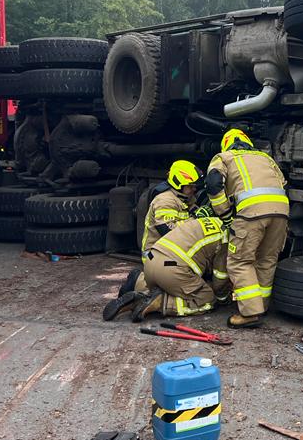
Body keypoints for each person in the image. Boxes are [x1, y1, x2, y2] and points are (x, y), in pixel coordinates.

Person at [103, 159, 210, 320]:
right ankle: (142, 286)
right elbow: (168, 231)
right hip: (157, 255)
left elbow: (194, 213)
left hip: (172, 252)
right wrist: (195, 220)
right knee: (190, 289)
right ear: (178, 183)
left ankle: (140, 284)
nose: (194, 189)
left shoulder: (185, 198)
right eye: (190, 186)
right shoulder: (164, 201)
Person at [205, 128, 289, 329]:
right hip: (281, 212)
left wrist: (225, 214)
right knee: (267, 260)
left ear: (226, 145)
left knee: (239, 261)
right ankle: (262, 306)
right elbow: (284, 183)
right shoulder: (266, 158)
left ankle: (250, 313)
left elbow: (213, 184)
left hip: (251, 213)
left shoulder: (223, 158)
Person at [133, 214, 230, 321]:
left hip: (151, 262)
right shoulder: (225, 239)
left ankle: (138, 285)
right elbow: (220, 279)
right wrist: (223, 298)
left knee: (172, 287)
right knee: (206, 298)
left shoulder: (207, 221)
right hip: (171, 269)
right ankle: (161, 303)